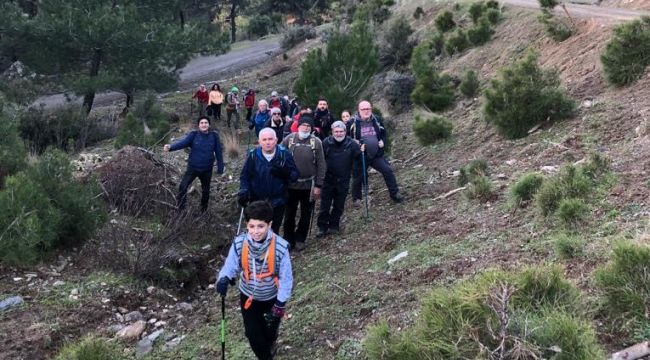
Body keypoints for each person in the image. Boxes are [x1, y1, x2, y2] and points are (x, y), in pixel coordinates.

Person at [216, 200, 293, 360]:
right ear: (246, 225)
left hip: (272, 297)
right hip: (248, 297)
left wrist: (280, 304)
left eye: (260, 226)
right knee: (253, 334)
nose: (256, 231)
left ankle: (271, 341)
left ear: (269, 225)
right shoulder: (239, 243)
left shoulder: (280, 247)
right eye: (252, 226)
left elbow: (286, 278)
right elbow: (231, 264)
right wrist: (224, 278)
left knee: (269, 333)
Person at [239, 128, 299, 234]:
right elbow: (245, 176)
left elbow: (295, 176)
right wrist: (243, 190)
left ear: (276, 140)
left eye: (270, 139)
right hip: (257, 200)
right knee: (258, 231)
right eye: (264, 139)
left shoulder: (284, 154)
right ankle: (258, 250)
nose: (268, 142)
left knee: (273, 230)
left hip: (278, 201)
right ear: (259, 141)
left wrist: (285, 173)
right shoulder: (253, 156)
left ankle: (272, 250)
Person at [281, 114, 326, 251]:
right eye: (303, 125)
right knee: (289, 214)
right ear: (298, 126)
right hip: (291, 185)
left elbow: (321, 165)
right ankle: (288, 239)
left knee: (306, 214)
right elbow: (279, 157)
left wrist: (318, 185)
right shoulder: (289, 139)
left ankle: (300, 239)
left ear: (311, 128)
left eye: (308, 126)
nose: (305, 128)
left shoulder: (316, 142)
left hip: (309, 185)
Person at [164, 116, 224, 212]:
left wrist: (220, 168)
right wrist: (171, 147)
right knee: (183, 186)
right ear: (198, 125)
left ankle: (203, 211)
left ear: (209, 125)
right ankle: (181, 209)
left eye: (206, 123)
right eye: (202, 123)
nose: (204, 124)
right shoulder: (194, 135)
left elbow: (218, 152)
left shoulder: (214, 136)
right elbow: (183, 143)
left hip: (207, 169)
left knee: (206, 191)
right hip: (193, 168)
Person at [348, 100, 404, 205]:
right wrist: (356, 144)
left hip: (376, 155)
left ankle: (395, 194)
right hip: (360, 156)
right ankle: (357, 199)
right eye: (363, 109)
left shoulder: (376, 119)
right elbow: (347, 138)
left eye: (368, 108)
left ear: (371, 109)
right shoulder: (352, 122)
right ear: (359, 110)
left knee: (387, 170)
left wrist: (382, 141)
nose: (366, 111)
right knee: (357, 177)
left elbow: (383, 132)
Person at [317, 121, 362, 236]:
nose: (339, 133)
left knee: (339, 205)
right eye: (336, 131)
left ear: (345, 132)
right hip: (328, 179)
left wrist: (363, 152)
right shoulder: (326, 143)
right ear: (332, 132)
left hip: (344, 179)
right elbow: (319, 160)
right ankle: (322, 227)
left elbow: (359, 159)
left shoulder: (352, 144)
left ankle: (334, 225)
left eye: (341, 131)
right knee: (325, 205)